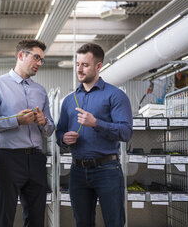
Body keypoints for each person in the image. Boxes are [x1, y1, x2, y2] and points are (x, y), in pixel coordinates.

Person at [0, 39, 55, 227]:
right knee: (4, 216)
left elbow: (50, 129)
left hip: (36, 159)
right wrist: (15, 120)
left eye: (42, 60)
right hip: (7, 159)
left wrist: (44, 122)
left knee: (36, 218)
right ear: (21, 56)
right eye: (36, 58)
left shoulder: (40, 91)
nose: (39, 64)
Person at [56, 43, 133, 227]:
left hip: (107, 170)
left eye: (85, 65)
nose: (79, 70)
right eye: (77, 64)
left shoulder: (115, 96)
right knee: (82, 222)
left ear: (98, 66)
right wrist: (64, 139)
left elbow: (126, 132)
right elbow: (60, 131)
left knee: (114, 222)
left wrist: (96, 123)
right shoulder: (69, 100)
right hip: (77, 171)